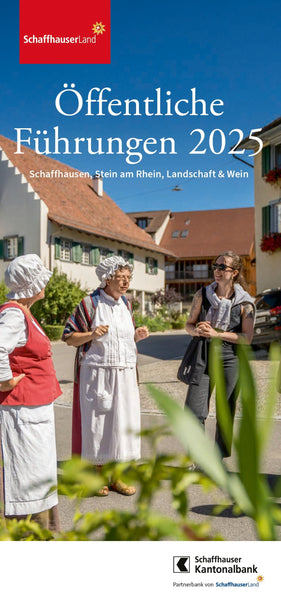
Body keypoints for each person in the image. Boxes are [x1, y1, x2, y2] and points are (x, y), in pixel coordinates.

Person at [62, 255, 149, 496]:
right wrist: (91, 334)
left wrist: (136, 336)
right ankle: (98, 477)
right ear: (107, 278)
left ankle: (118, 477)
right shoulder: (89, 304)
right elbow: (68, 337)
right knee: (99, 424)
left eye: (128, 278)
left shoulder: (127, 305)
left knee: (124, 425)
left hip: (125, 373)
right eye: (120, 278)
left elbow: (121, 340)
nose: (125, 282)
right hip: (98, 373)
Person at [0, 254, 61, 529]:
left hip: (34, 406)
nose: (45, 283)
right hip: (22, 409)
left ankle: (38, 530)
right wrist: (3, 380)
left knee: (38, 470)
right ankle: (26, 532)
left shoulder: (22, 312)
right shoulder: (14, 313)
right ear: (31, 284)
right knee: (29, 470)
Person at [184, 251, 255, 462]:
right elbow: (188, 325)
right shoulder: (202, 295)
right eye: (216, 266)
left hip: (230, 358)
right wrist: (197, 329)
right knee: (194, 410)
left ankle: (217, 459)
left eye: (223, 267)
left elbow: (247, 338)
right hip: (202, 355)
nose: (217, 270)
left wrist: (217, 333)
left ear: (234, 272)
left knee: (225, 411)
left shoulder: (245, 303)